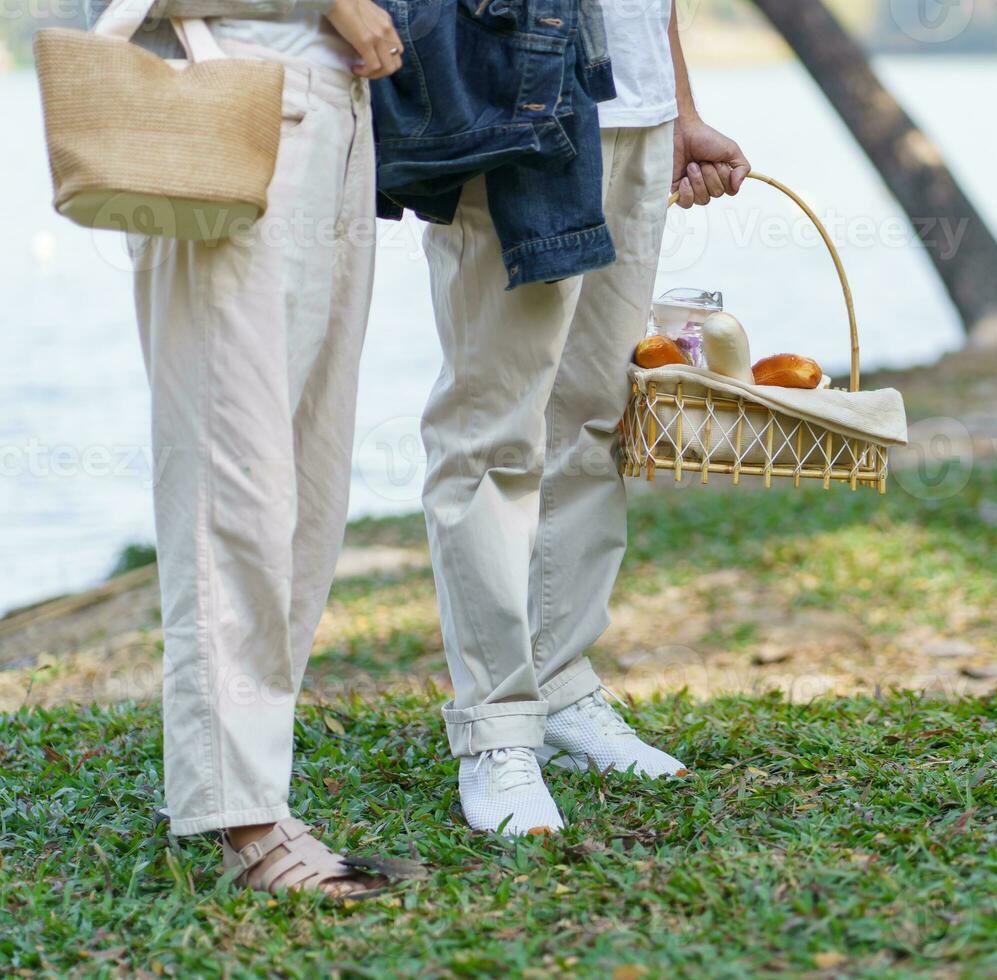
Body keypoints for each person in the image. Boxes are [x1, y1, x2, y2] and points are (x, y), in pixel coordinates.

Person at [96, 0, 406, 893]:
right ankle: (245, 818)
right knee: (232, 465)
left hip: (337, 108)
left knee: (309, 472)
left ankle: (254, 780)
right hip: (224, 89)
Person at [419, 0, 750, 835]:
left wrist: (678, 107)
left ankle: (559, 685)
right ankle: (497, 729)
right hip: (517, 95)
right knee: (491, 427)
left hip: (635, 114)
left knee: (596, 416)